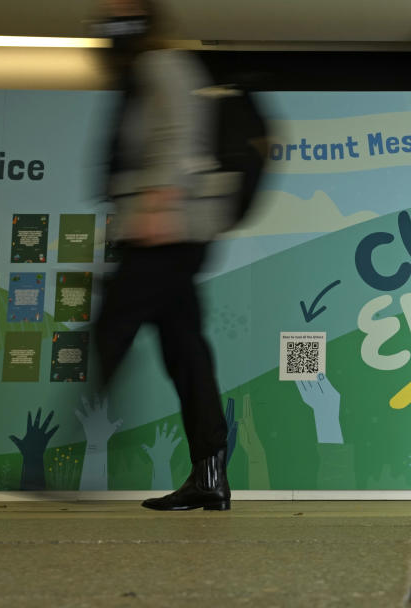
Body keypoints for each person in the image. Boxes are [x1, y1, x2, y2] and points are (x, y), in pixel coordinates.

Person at [93, 0, 235, 511]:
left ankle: (72, 438)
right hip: (170, 228)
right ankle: (210, 476)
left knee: (112, 326)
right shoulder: (144, 69)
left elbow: (179, 136)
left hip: (165, 229)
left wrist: (158, 203)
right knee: (186, 353)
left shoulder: (160, 64)